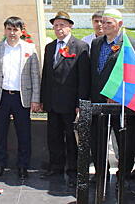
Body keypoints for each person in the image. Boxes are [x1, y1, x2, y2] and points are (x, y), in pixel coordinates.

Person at [0, 16, 41, 180]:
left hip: (21, 97)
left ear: (21, 31)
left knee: (24, 133)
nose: (12, 33)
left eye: (15, 29)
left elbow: (35, 76)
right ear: (5, 30)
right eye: (9, 29)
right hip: (1, 96)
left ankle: (23, 166)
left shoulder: (30, 49)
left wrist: (35, 99)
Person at [89, 8, 135, 183]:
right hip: (98, 102)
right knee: (98, 140)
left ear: (120, 24)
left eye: (108, 22)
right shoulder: (96, 44)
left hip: (120, 104)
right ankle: (100, 173)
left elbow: (134, 75)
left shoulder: (130, 44)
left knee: (124, 141)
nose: (104, 25)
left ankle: (123, 174)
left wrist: (118, 94)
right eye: (102, 22)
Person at [40, 11, 90, 187]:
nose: (59, 28)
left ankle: (73, 171)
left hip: (70, 104)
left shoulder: (81, 46)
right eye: (56, 25)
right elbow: (46, 75)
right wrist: (43, 99)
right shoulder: (50, 47)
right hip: (53, 102)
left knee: (71, 138)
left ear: (70, 26)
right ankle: (56, 167)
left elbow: (83, 78)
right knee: (53, 137)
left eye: (62, 25)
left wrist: (80, 103)